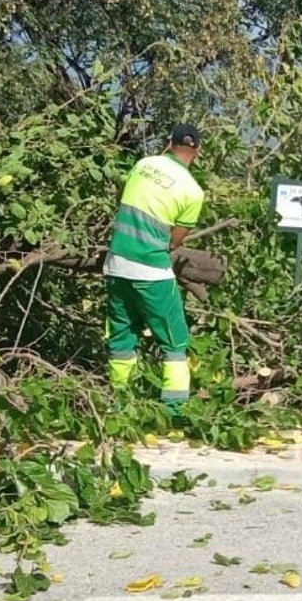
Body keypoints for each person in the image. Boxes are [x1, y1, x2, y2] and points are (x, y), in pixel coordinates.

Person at [103, 123, 205, 417]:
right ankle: (174, 411)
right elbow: (175, 241)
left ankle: (119, 405)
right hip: (151, 272)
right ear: (196, 151)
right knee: (174, 341)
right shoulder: (192, 191)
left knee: (121, 336)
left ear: (168, 143)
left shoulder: (144, 164)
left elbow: (123, 199)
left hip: (116, 264)